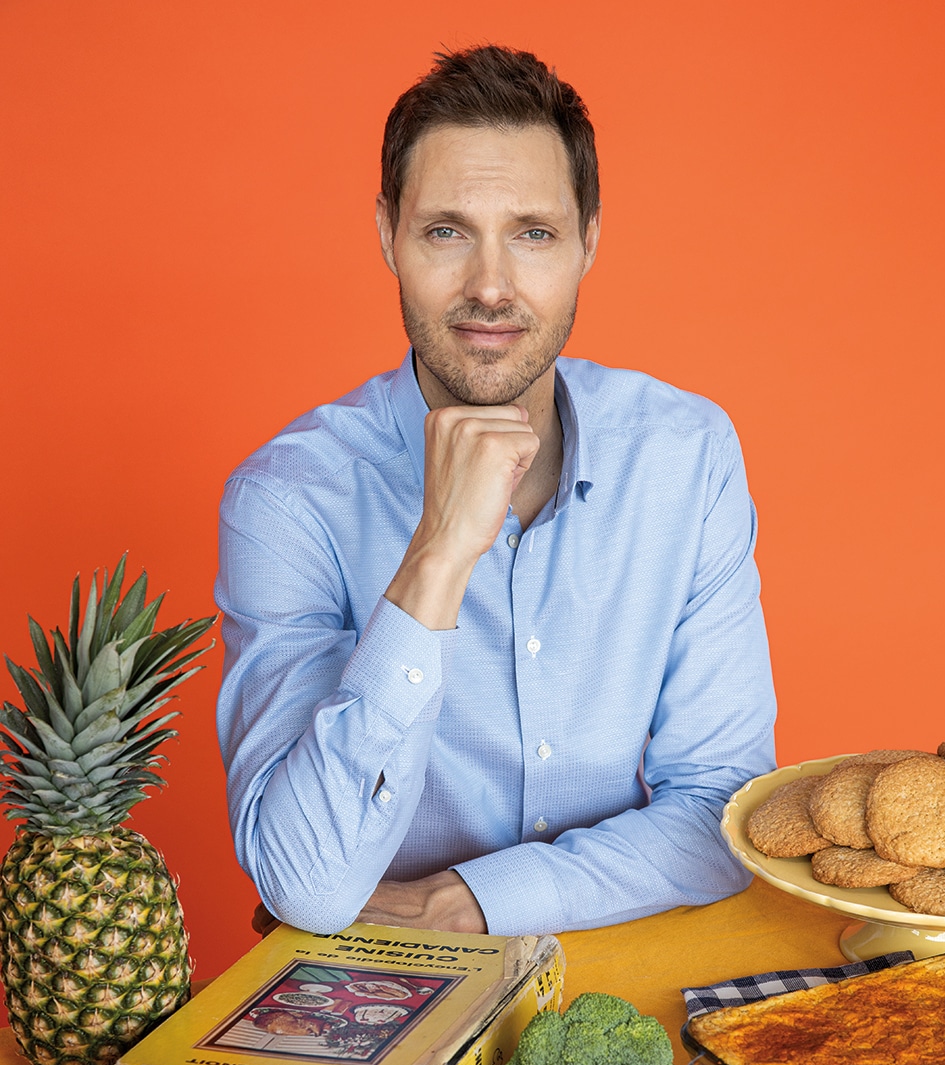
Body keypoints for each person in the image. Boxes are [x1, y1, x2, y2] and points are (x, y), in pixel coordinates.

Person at [216, 44, 776, 938]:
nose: (489, 286)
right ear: (387, 235)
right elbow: (306, 884)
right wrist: (436, 559)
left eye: (533, 232)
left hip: (619, 977)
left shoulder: (685, 455)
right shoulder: (288, 501)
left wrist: (473, 900)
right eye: (446, 231)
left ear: (589, 240)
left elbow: (726, 813)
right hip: (386, 1005)